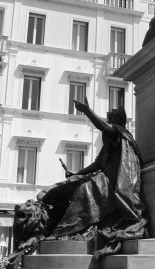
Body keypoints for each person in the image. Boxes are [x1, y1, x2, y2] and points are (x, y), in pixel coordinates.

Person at [40, 98, 147, 257]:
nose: (107, 115)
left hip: (115, 182)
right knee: (68, 186)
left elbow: (104, 127)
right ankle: (58, 225)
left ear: (117, 120)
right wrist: (77, 173)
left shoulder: (120, 132)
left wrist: (87, 111)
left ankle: (65, 230)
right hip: (105, 178)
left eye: (111, 114)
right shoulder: (112, 138)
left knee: (85, 190)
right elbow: (98, 163)